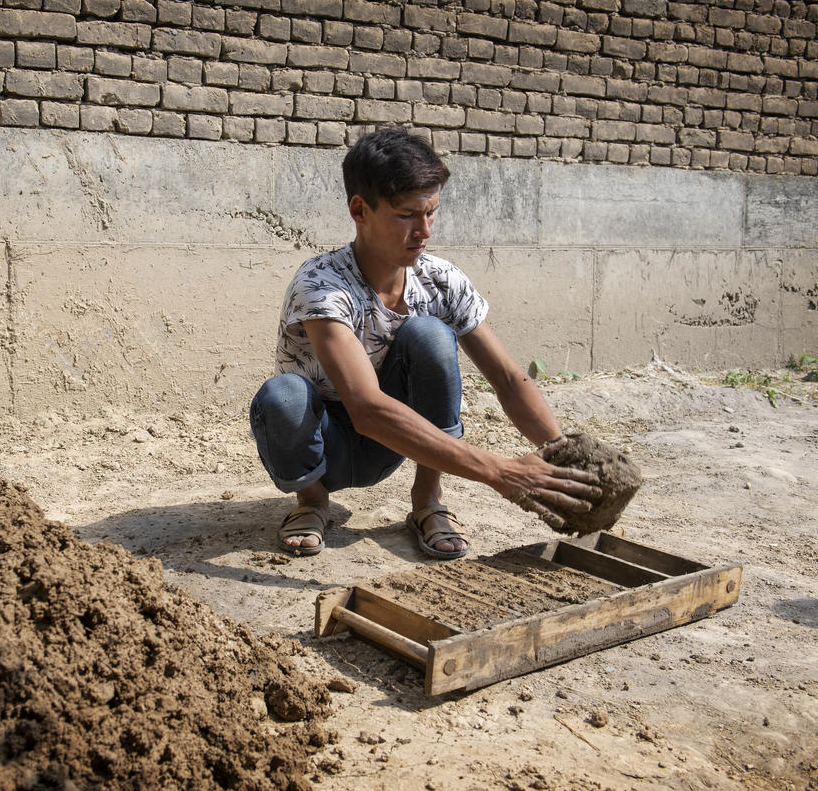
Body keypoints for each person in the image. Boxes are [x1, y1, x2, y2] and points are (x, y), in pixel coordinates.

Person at [249, 129, 601, 559]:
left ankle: (428, 501)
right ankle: (312, 501)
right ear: (360, 210)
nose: (424, 231)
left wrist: (563, 460)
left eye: (431, 213)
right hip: (324, 440)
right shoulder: (321, 286)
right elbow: (367, 409)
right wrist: (500, 472)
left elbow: (508, 378)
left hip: (397, 440)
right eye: (407, 216)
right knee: (283, 396)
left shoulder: (439, 279)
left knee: (431, 334)